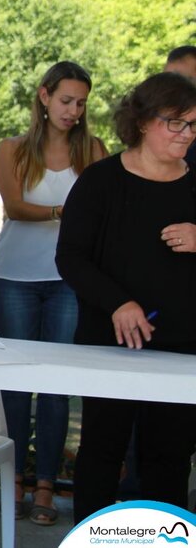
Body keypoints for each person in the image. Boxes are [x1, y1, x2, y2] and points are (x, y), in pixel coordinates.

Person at [57, 71, 196, 522]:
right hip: (107, 339)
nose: (185, 134)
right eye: (175, 122)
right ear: (142, 122)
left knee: (169, 458)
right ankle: (91, 535)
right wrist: (118, 302)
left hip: (182, 344)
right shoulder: (101, 181)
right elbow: (71, 257)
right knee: (101, 449)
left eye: (193, 124)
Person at [0, 61, 107, 525]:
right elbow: (16, 206)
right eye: (65, 100)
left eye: (80, 103)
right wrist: (68, 209)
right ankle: (13, 480)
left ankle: (46, 487)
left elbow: (102, 213)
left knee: (56, 388)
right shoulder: (13, 148)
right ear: (43, 96)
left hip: (70, 280)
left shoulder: (94, 149)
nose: (73, 110)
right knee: (16, 386)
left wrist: (63, 213)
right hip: (16, 274)